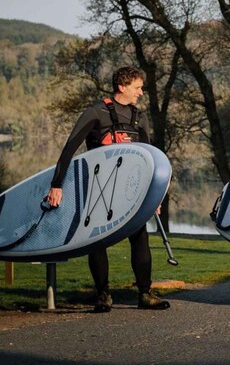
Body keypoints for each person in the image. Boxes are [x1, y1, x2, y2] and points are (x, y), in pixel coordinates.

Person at [46, 66, 171, 313]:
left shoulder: (140, 118)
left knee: (140, 237)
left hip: (131, 191)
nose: (141, 93)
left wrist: (154, 195)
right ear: (122, 86)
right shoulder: (96, 113)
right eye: (137, 87)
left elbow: (150, 159)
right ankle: (103, 295)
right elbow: (70, 148)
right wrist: (56, 185)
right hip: (98, 191)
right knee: (97, 241)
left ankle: (145, 294)